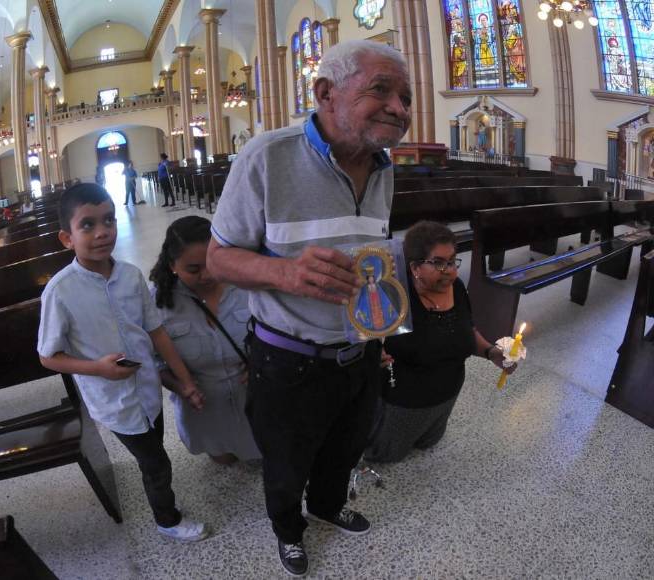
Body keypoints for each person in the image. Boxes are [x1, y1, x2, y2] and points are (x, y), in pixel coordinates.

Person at [207, 40, 412, 576]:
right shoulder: (267, 156)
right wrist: (285, 272)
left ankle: (326, 505)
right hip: (288, 359)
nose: (400, 107)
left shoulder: (384, 168)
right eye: (381, 91)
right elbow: (217, 259)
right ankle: (288, 530)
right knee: (286, 462)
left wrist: (382, 327)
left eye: (406, 97)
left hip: (360, 351)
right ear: (325, 93)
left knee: (345, 447)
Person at [37, 183, 210, 542]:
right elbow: (47, 356)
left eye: (109, 220)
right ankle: (167, 519)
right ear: (66, 238)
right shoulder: (60, 291)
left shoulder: (130, 276)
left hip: (147, 391)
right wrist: (97, 368)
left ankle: (161, 497)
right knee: (156, 463)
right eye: (88, 225)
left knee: (155, 449)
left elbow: (156, 332)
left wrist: (185, 380)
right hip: (114, 402)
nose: (102, 232)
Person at [365, 221, 517, 464]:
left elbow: (468, 331)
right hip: (404, 403)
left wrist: (491, 352)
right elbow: (366, 336)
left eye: (452, 261)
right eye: (438, 263)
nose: (450, 270)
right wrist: (374, 353)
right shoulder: (397, 296)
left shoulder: (456, 288)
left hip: (446, 398)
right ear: (414, 267)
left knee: (428, 443)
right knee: (384, 455)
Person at [150, 216, 261, 465]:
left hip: (253, 398)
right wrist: (182, 387)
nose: (207, 275)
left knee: (259, 455)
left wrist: (261, 361)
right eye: (193, 269)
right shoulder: (157, 304)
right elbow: (154, 362)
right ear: (172, 265)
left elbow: (279, 329)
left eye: (213, 263)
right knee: (222, 458)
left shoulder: (245, 283)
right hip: (205, 408)